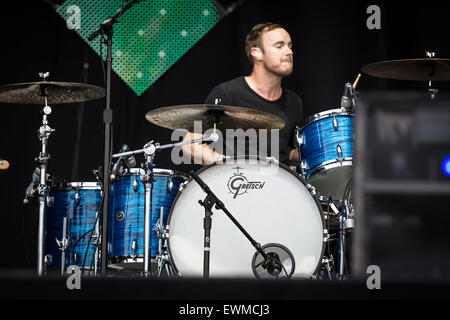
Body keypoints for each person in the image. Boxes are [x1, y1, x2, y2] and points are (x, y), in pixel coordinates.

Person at [181, 22, 303, 165]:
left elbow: (285, 149)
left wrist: (306, 154)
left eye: (290, 46)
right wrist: (224, 163)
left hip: (276, 182)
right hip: (235, 182)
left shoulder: (294, 102)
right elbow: (189, 144)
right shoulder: (228, 93)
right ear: (257, 52)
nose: (289, 52)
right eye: (279, 46)